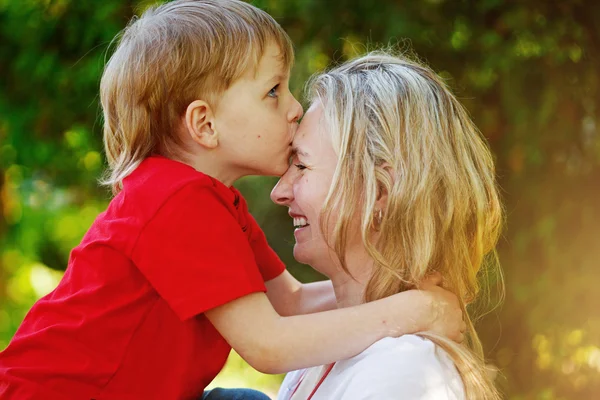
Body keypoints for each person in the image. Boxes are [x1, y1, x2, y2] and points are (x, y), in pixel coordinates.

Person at [0, 2, 466, 400]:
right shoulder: (174, 201)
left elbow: (292, 303)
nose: (294, 106)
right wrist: (411, 313)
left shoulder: (214, 205)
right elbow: (269, 347)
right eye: (272, 91)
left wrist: (403, 285)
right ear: (204, 124)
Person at [273, 51, 504, 400]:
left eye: (301, 166)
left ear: (380, 192)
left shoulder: (400, 373)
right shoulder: (330, 350)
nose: (279, 191)